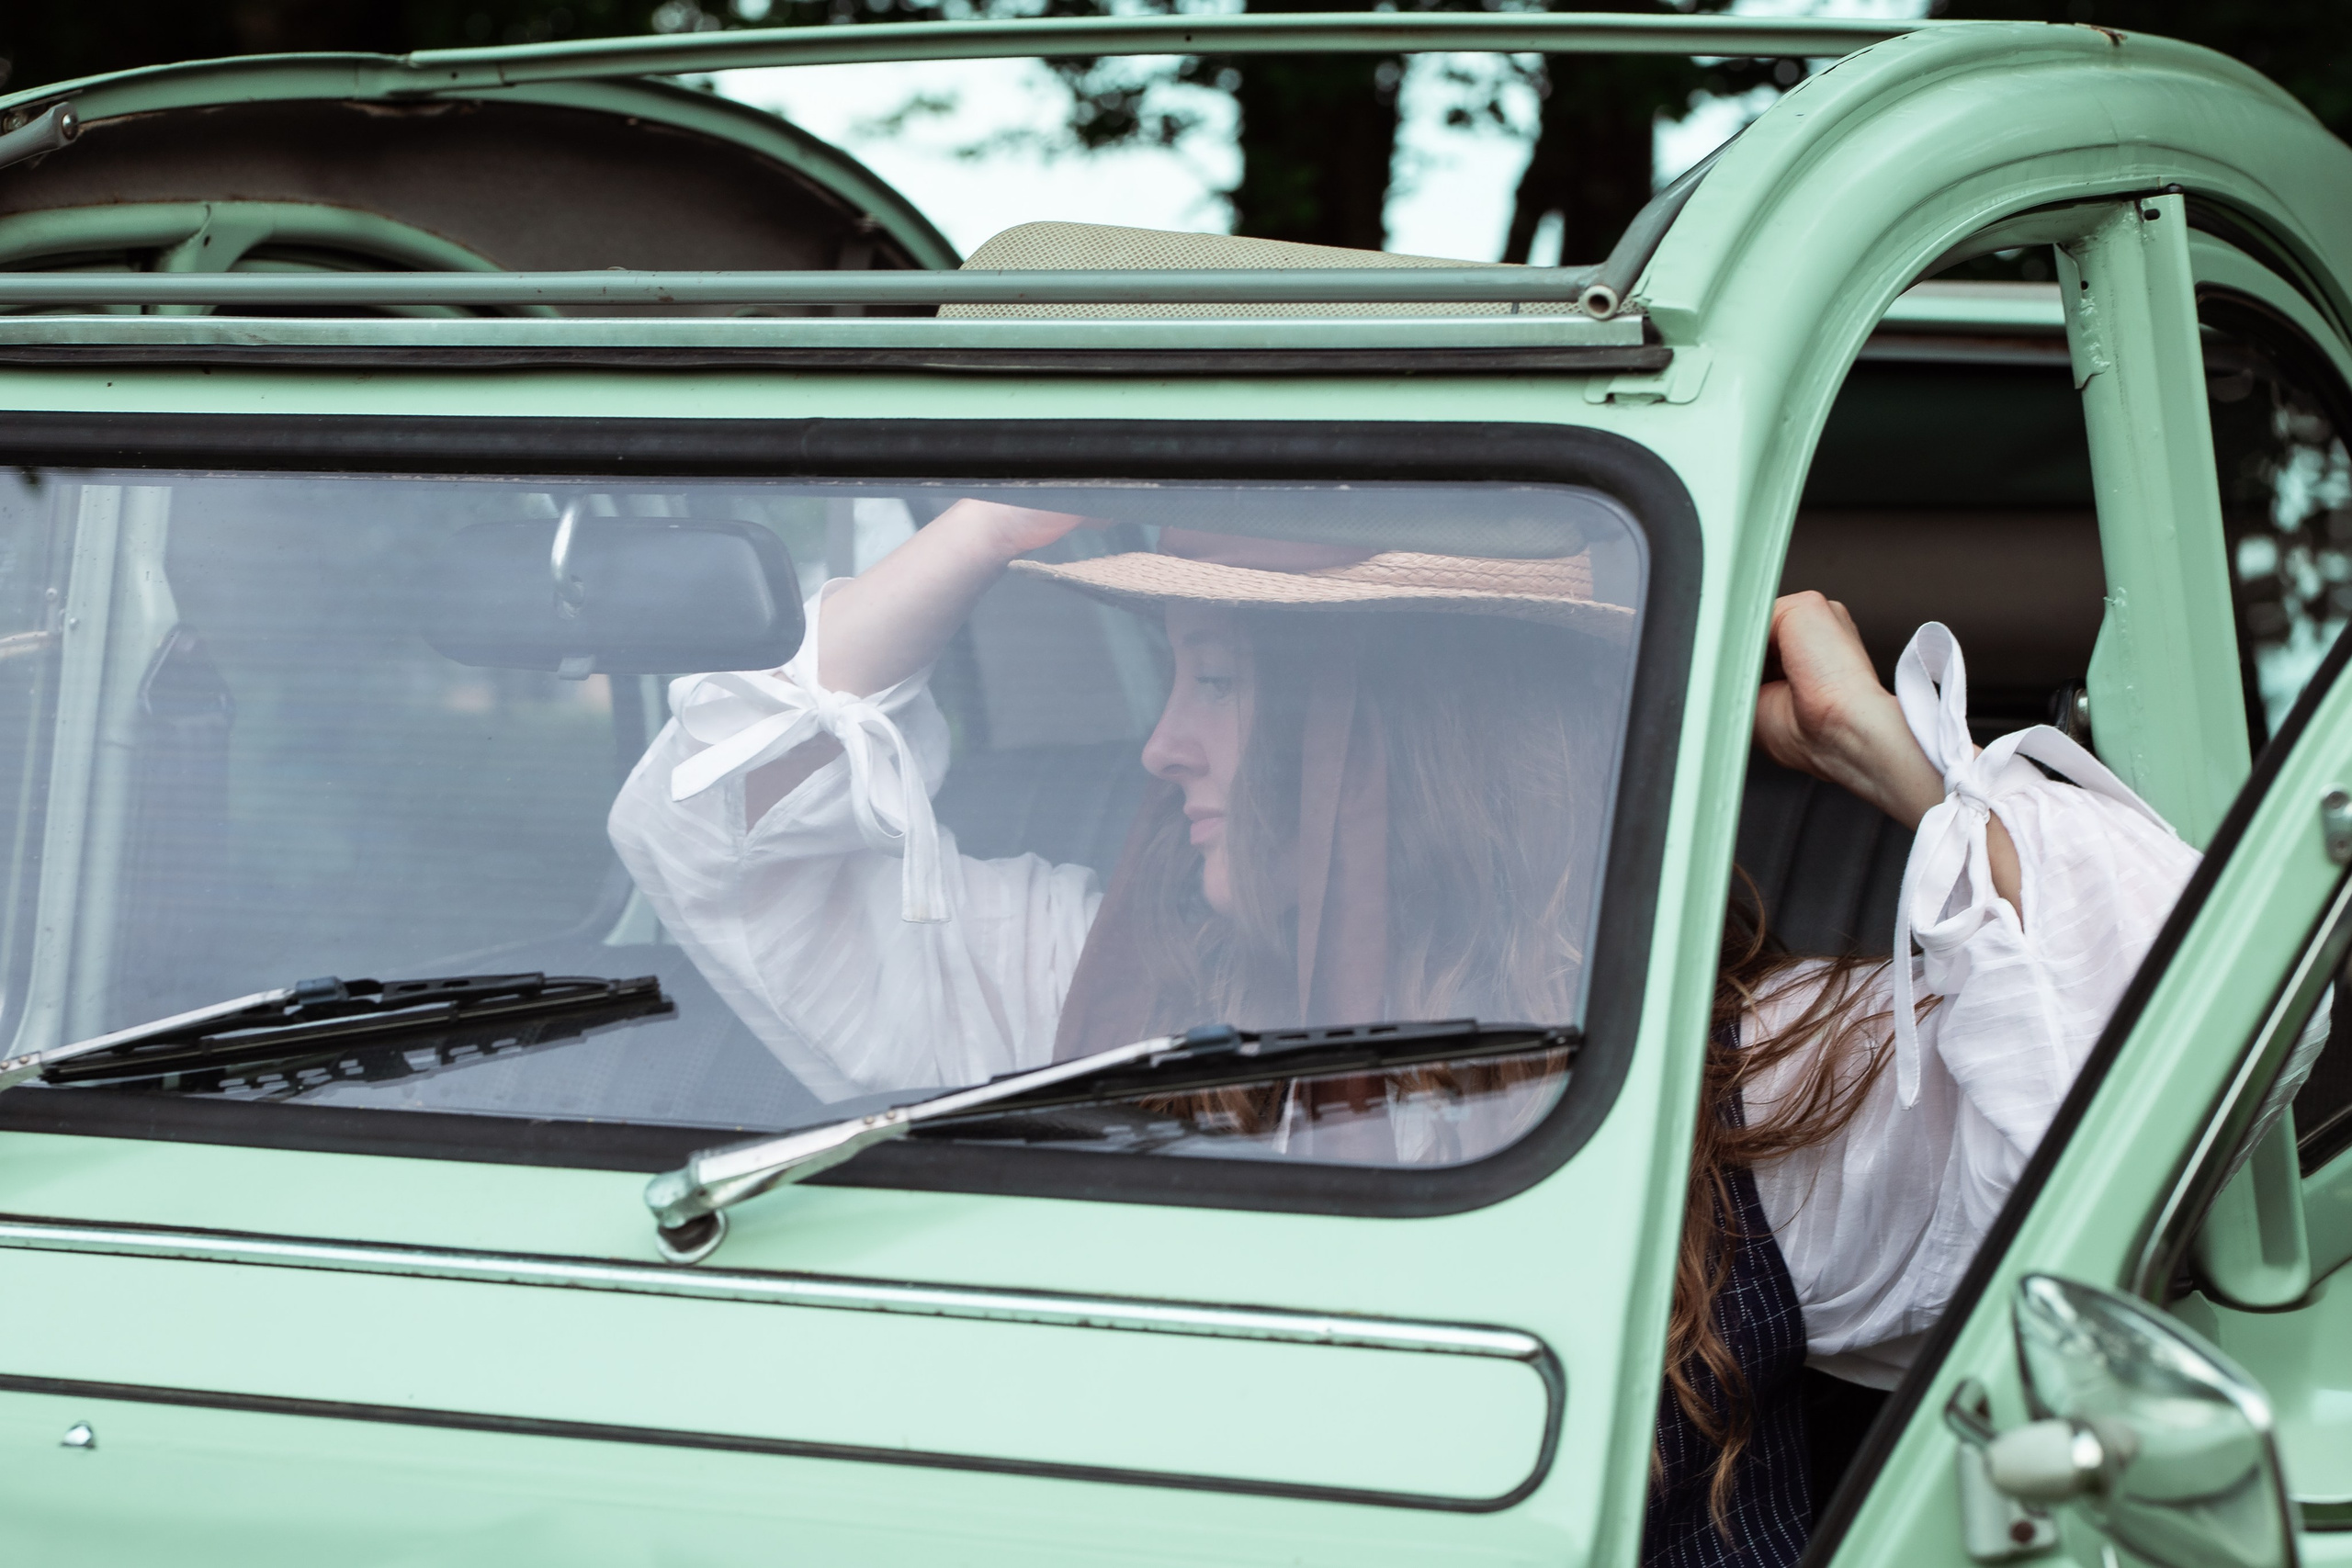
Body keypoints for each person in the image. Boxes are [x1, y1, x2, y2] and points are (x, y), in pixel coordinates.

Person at [608, 499, 2199, 1568]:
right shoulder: (1098, 999)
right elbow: (720, 840)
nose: (1158, 747)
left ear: (1400, 738)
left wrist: (1901, 769)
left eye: (1219, 682)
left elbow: (2149, 1077)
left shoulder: (1753, 1076)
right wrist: (1000, 513)